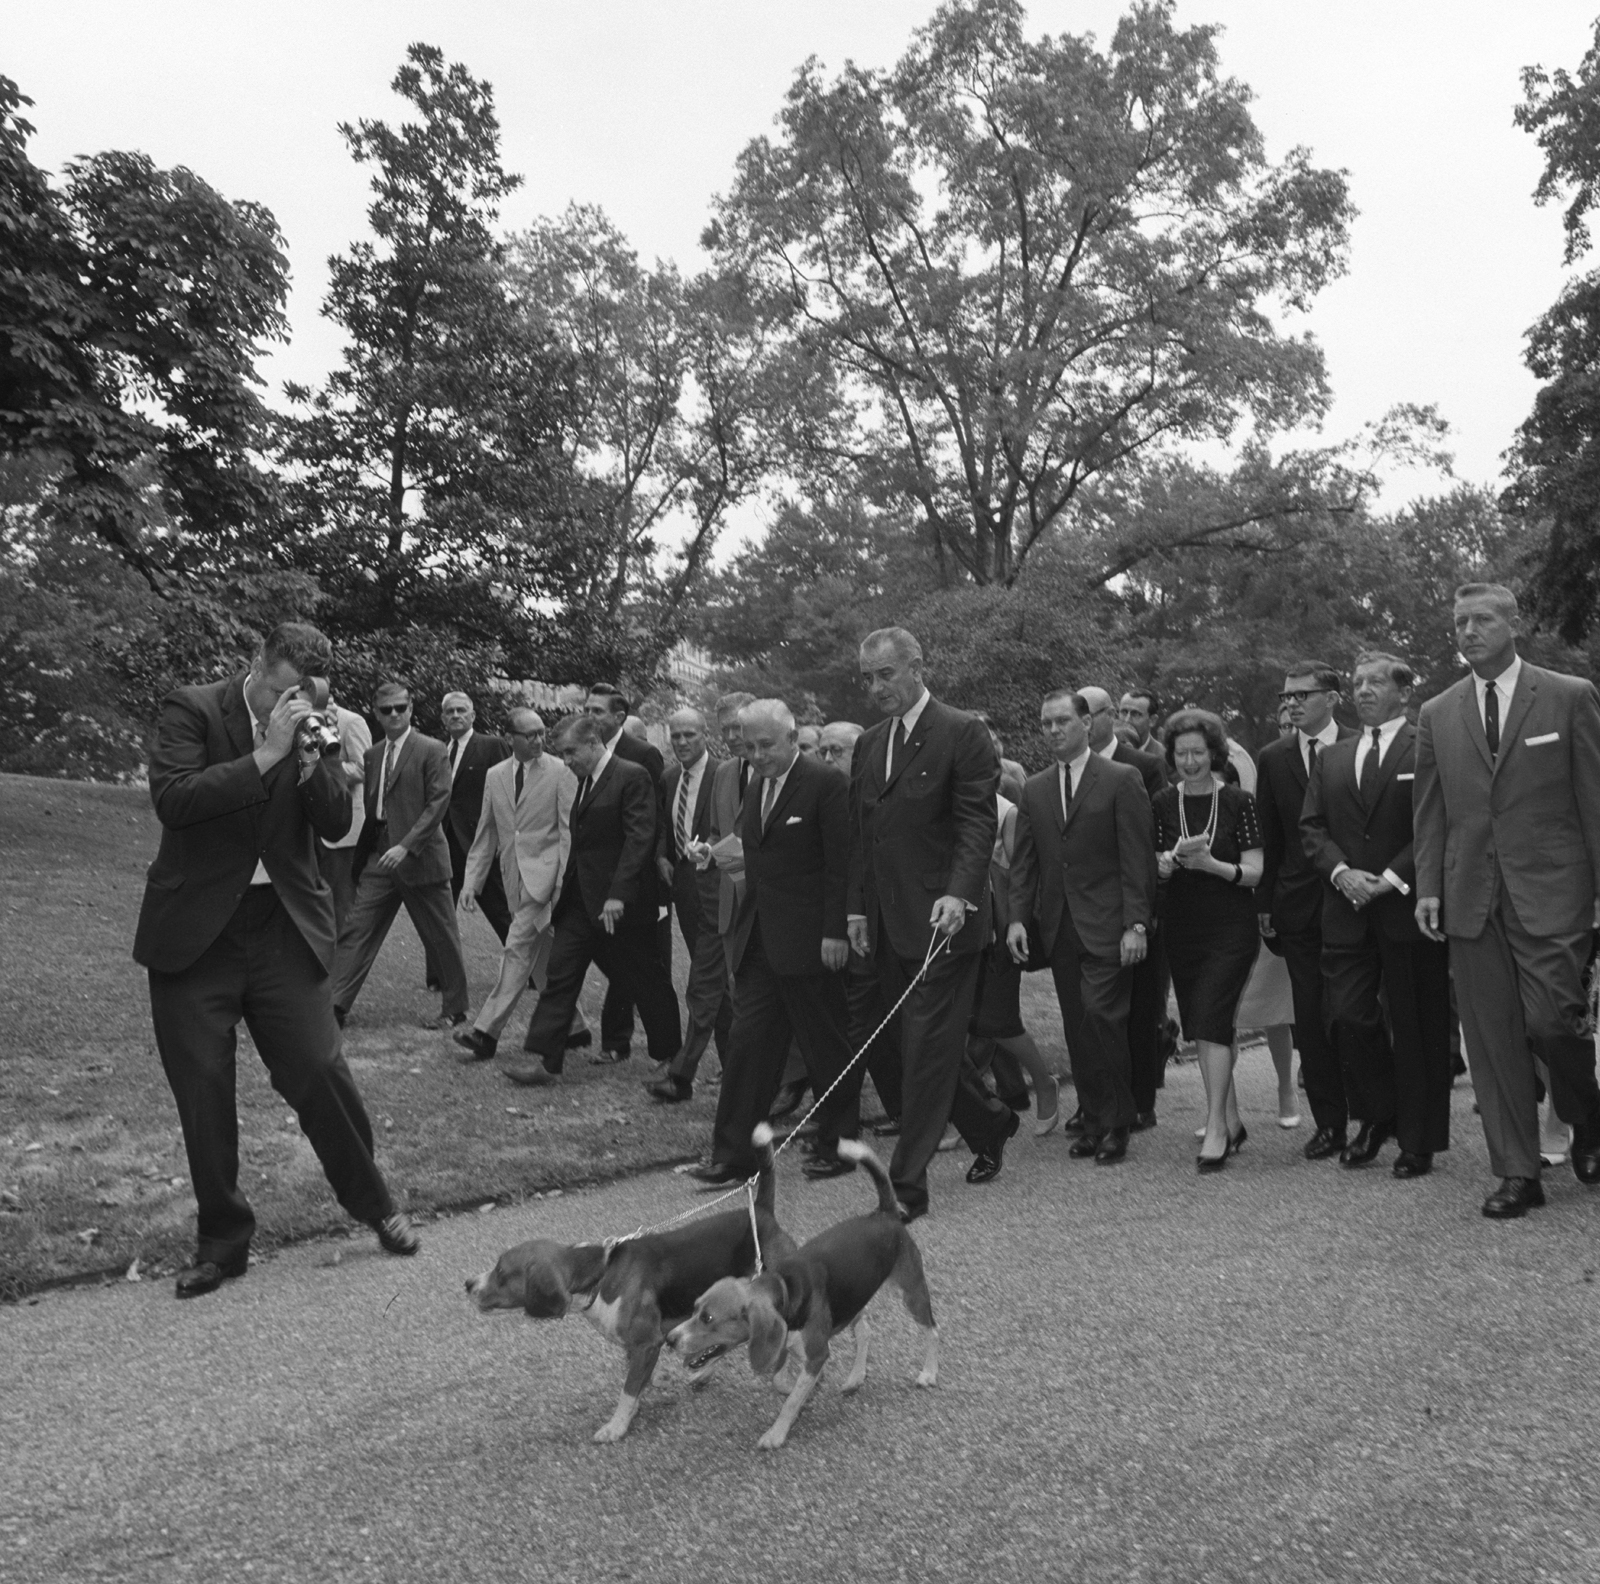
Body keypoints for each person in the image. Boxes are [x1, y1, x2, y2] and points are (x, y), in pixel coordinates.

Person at [133, 622, 418, 1299]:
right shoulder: (192, 709)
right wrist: (266, 753)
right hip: (196, 934)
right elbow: (175, 800)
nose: (293, 707)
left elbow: (333, 825)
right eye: (283, 692)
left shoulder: (312, 726)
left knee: (320, 1069)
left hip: (282, 929)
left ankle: (375, 1202)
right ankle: (222, 1243)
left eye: (306, 698)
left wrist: (315, 765)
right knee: (203, 1087)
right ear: (257, 665)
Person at [1415, 583, 1600, 1218]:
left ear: (1513, 623)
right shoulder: (1437, 712)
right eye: (1459, 622)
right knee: (1492, 1041)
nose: (1468, 631)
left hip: (1553, 891)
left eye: (1482, 619)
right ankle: (1518, 1172)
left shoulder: (1569, 696)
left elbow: (1594, 800)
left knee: (1552, 1019)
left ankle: (1587, 1113)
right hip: (1471, 895)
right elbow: (1430, 811)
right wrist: (1430, 888)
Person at [849, 627, 1017, 1220]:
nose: (876, 688)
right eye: (867, 678)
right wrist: (855, 908)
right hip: (887, 922)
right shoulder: (869, 743)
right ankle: (990, 1122)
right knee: (918, 1045)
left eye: (885, 674)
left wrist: (959, 895)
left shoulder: (961, 732)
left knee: (924, 1051)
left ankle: (906, 1188)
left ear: (917, 668)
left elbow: (977, 823)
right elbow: (862, 836)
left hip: (946, 923)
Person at [690, 701, 858, 1183]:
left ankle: (839, 1147)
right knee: (748, 1048)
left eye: (767, 745)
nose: (758, 755)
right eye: (749, 747)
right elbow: (756, 853)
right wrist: (715, 857)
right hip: (760, 941)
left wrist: (835, 931)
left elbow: (842, 863)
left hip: (812, 944)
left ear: (791, 737)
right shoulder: (757, 785)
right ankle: (733, 1156)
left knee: (825, 1048)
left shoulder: (826, 783)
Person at [1301, 653, 1452, 1178]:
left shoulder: (1426, 746)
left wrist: (1389, 879)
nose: (1363, 690)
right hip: (1346, 908)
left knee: (1416, 1028)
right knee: (1348, 1017)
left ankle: (1418, 1141)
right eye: (1358, 682)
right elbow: (1311, 827)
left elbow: (1436, 821)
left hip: (1408, 907)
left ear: (1404, 694)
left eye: (1376, 682)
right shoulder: (1332, 757)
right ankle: (1379, 1114)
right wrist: (1342, 873)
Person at [1007, 691, 1155, 1165]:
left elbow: (1138, 859)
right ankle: (1093, 1119)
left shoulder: (1121, 779)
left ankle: (1117, 1122)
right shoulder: (1035, 788)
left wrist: (1136, 924)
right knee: (1077, 1027)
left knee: (1102, 1017)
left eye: (1063, 721)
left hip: (1110, 926)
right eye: (1046, 723)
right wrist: (1017, 919)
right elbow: (1024, 863)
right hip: (1060, 929)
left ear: (1086, 723)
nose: (1053, 730)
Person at [504, 713, 682, 1085]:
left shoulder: (631, 776)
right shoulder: (583, 780)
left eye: (570, 752)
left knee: (645, 977)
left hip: (621, 905)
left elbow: (640, 838)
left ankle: (670, 1055)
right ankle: (547, 1062)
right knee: (559, 974)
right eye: (562, 754)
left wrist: (618, 895)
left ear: (593, 742)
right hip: (579, 903)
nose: (566, 761)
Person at [1151, 710, 1265, 1170]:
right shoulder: (1162, 802)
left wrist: (1214, 866)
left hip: (1231, 927)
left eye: (1198, 752)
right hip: (1183, 927)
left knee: (1213, 1017)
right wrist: (1163, 865)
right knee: (1203, 1022)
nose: (1190, 761)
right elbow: (1151, 861)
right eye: (1182, 753)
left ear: (1213, 753)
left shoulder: (1238, 802)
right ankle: (1233, 1121)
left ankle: (1216, 1125)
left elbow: (1255, 871)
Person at [1256, 660, 1356, 1160]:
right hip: (1296, 905)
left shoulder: (1361, 745)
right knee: (1311, 1020)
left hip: (1355, 900)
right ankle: (1330, 1123)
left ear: (1332, 698)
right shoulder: (1273, 758)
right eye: (1286, 696)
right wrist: (1265, 904)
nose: (1291, 703)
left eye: (1302, 695)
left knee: (1358, 1013)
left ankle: (1375, 1111)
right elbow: (1270, 836)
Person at [332, 680, 469, 1030]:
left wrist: (406, 845)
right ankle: (333, 1006)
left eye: (401, 708)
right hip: (379, 855)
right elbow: (374, 803)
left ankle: (455, 1009)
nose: (394, 714)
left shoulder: (431, 748)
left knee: (440, 936)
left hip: (420, 856)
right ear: (376, 714)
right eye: (386, 709)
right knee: (357, 928)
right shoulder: (373, 754)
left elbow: (438, 802)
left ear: (411, 709)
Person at [450, 709, 578, 1065]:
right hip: (514, 880)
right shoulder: (495, 776)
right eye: (530, 735)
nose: (539, 740)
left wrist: (561, 884)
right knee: (543, 957)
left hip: (547, 880)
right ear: (510, 738)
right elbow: (486, 833)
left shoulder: (561, 771)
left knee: (517, 949)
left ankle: (485, 1032)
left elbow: (567, 832)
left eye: (541, 733)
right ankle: (575, 1026)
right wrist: (471, 882)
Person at [1079, 685, 1165, 1129]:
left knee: (1140, 1006)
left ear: (1108, 715)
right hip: (1087, 907)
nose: (1080, 722)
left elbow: (1151, 838)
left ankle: (1141, 1100)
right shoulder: (1068, 769)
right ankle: (1096, 1101)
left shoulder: (1144, 767)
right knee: (1092, 1013)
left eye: (1087, 713)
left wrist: (1142, 915)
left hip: (1133, 901)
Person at [645, 707, 734, 1102]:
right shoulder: (669, 777)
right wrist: (663, 856)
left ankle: (700, 1069)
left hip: (721, 884)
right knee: (711, 976)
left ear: (705, 736)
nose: (681, 742)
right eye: (676, 735)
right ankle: (731, 1064)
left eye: (689, 735)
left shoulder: (724, 775)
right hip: (685, 886)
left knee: (709, 979)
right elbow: (665, 825)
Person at [583, 683, 668, 1064]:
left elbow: (652, 818)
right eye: (587, 709)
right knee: (617, 961)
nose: (590, 716)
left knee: (640, 963)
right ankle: (616, 1039)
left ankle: (653, 1047)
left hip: (633, 878)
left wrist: (650, 868)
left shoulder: (642, 755)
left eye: (597, 711)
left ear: (619, 717)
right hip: (592, 879)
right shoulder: (584, 751)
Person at [1232, 698, 1301, 1131]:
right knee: (1223, 1010)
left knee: (1277, 1005)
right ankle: (1222, 1106)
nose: (1287, 731)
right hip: (1237, 904)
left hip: (1279, 901)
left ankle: (1286, 1087)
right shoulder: (1260, 764)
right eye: (1282, 725)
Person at [435, 691, 511, 958]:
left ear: (473, 715)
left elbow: (508, 792)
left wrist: (503, 838)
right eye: (450, 711)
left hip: (481, 844)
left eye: (461, 710)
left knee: (501, 912)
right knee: (440, 916)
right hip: (445, 845)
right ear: (443, 718)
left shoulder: (491, 745)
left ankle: (532, 971)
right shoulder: (440, 751)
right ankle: (439, 974)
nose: (456, 715)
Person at [315, 694, 371, 935]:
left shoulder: (351, 721)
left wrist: (319, 773)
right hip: (310, 830)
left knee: (343, 905)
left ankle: (346, 957)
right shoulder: (299, 722)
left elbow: (363, 768)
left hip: (343, 831)